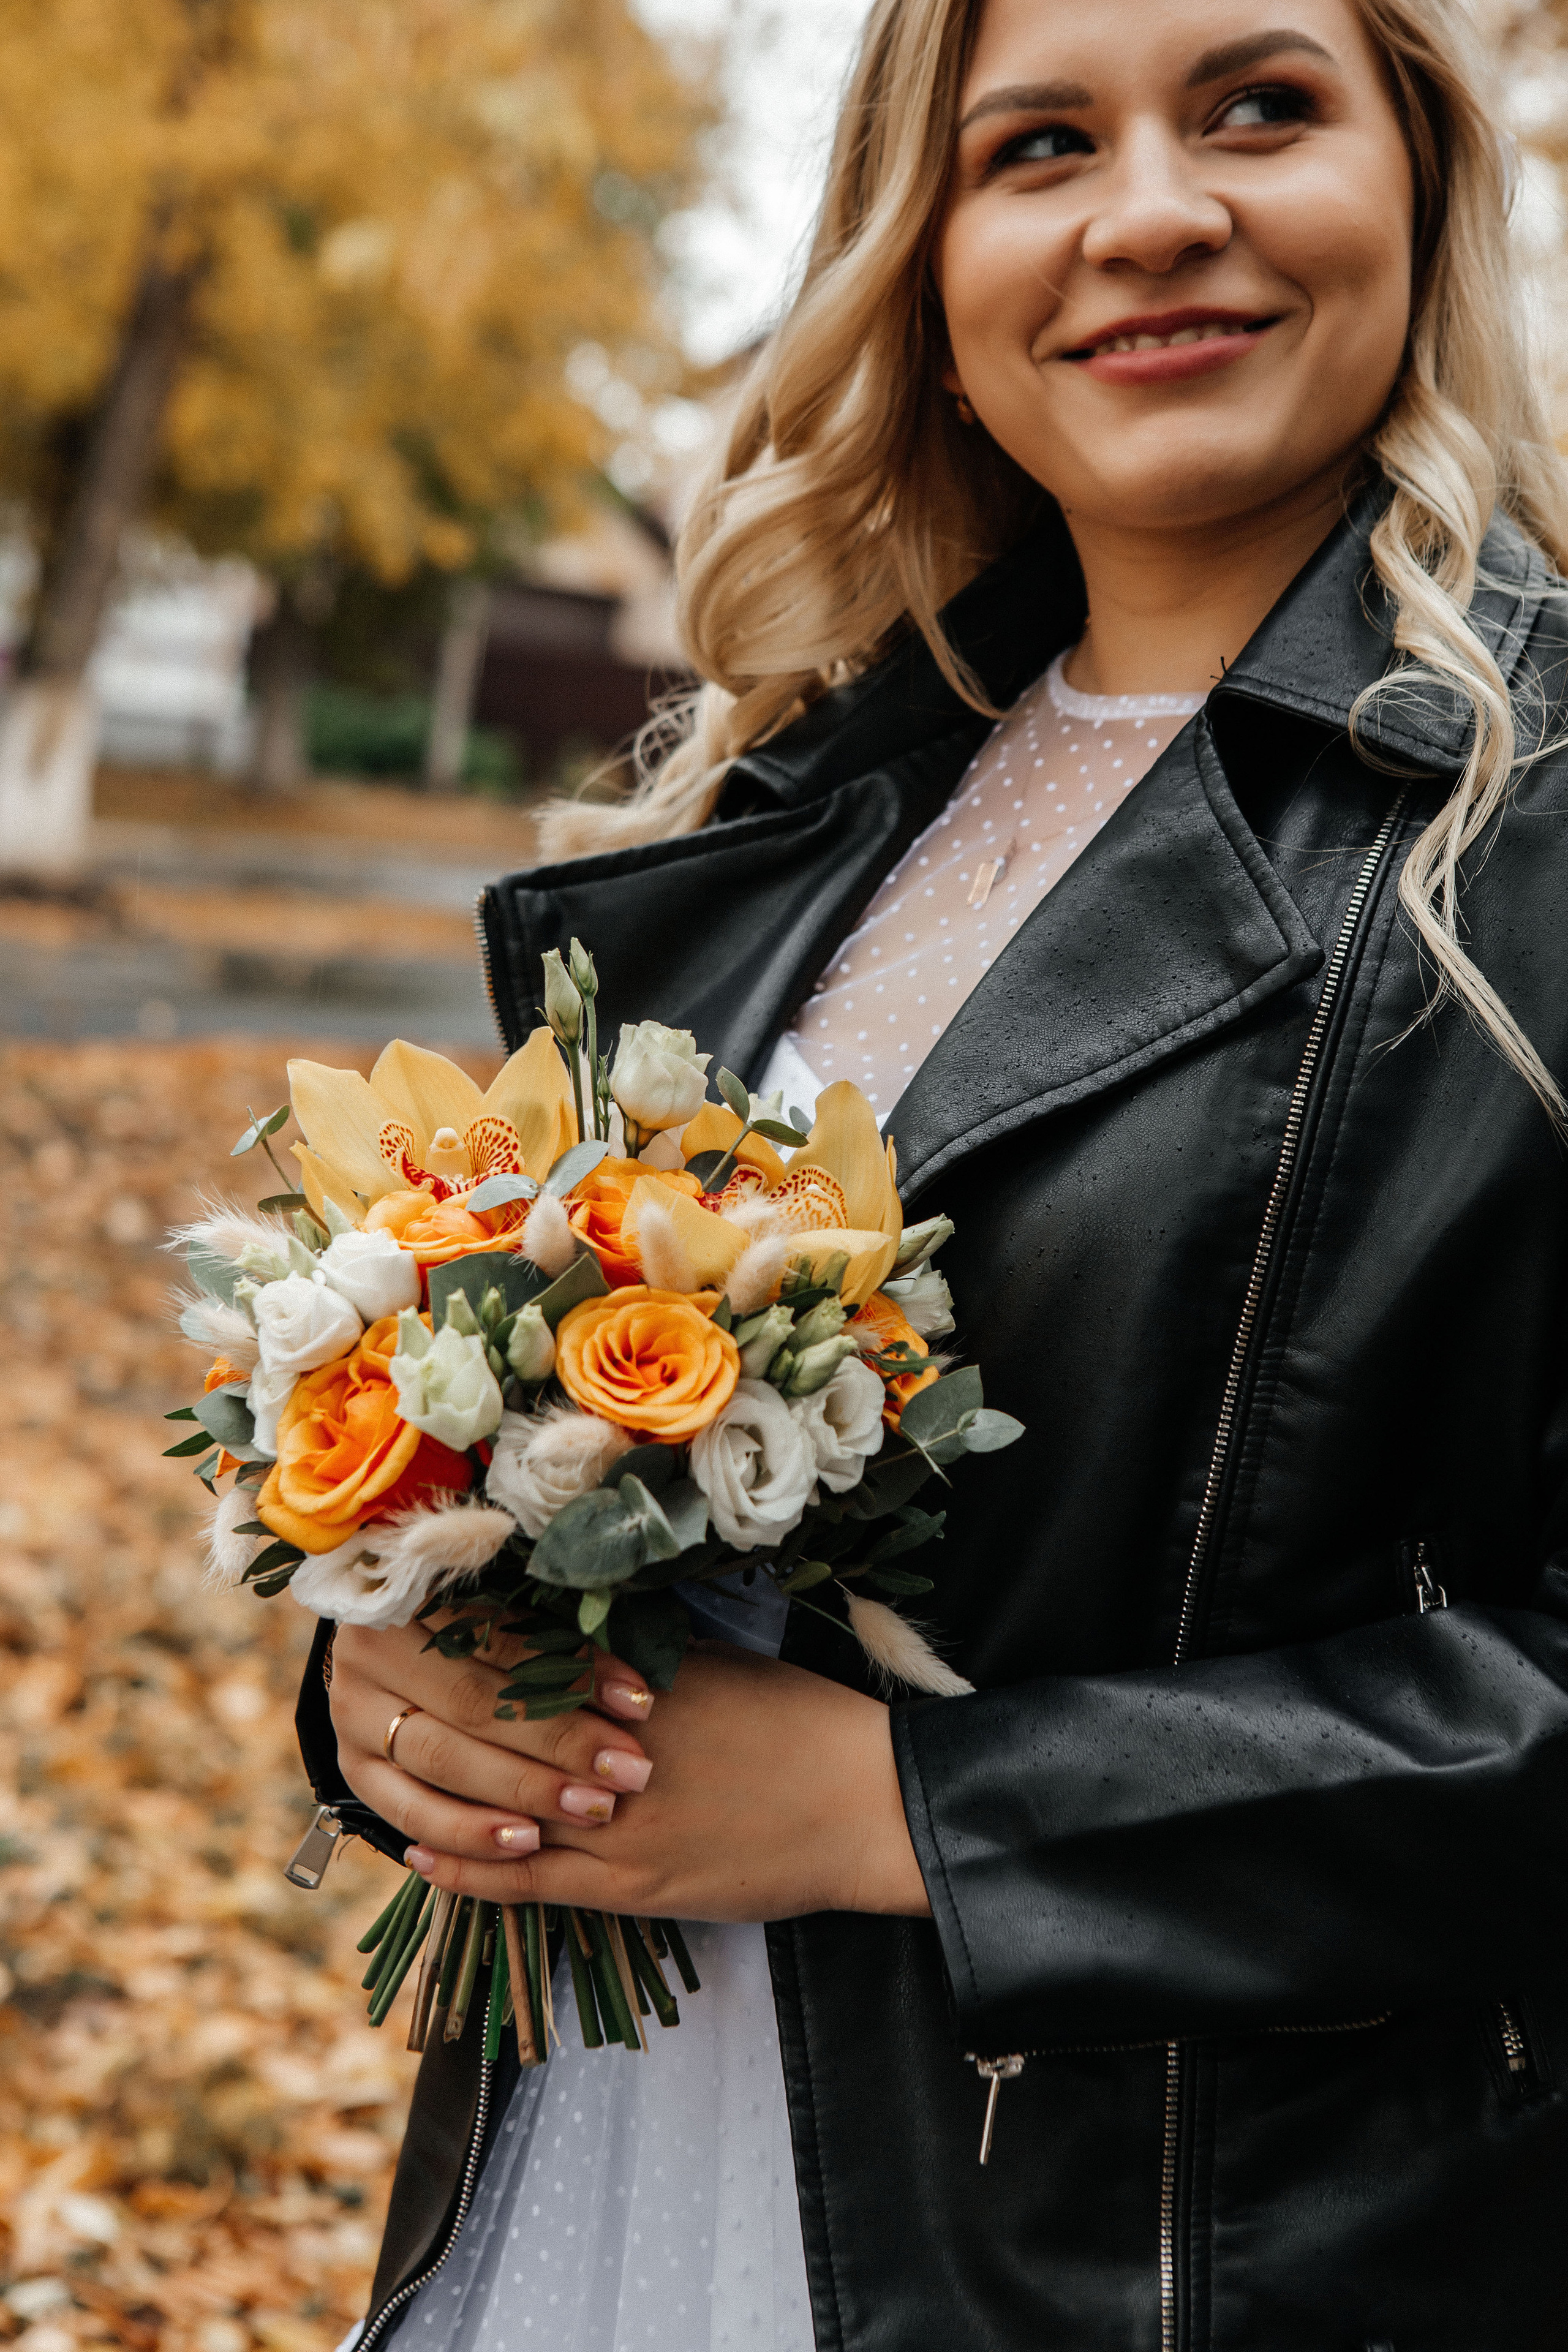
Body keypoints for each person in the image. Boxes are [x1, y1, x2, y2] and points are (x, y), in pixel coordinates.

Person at [301, 0, 1568, 2340]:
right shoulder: (794, 807)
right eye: (1039, 146)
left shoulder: (1540, 831)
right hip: (609, 2153)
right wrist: (409, 1682)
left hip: (1179, 2245)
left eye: (1261, 107)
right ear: (933, 265)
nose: (1154, 212)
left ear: (1421, 182)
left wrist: (912, 1814)